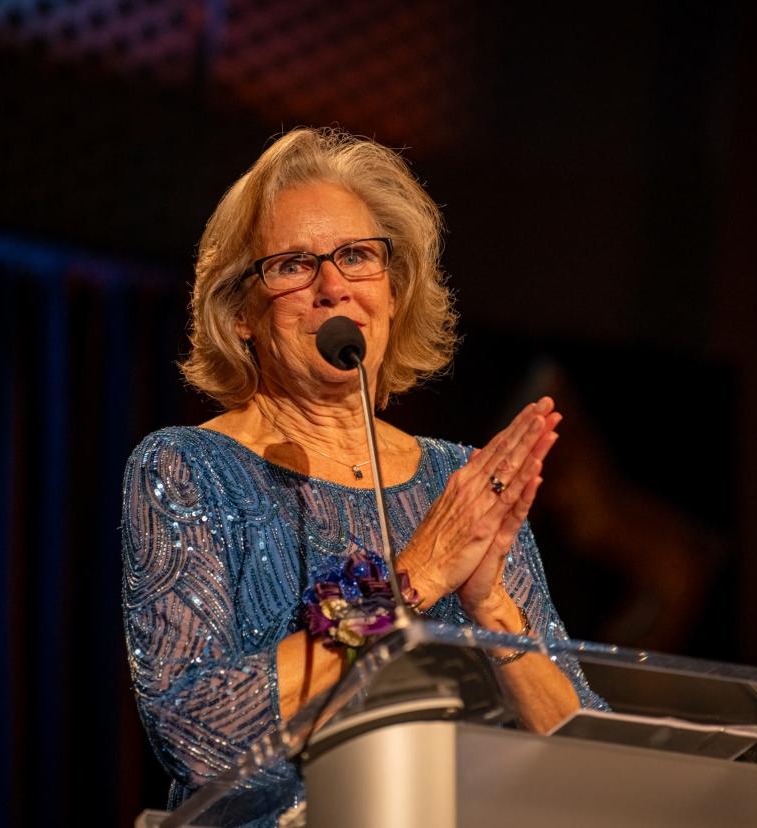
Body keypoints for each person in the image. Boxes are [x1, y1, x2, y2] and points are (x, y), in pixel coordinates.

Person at [121, 127, 605, 824]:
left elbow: (587, 761)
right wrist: (412, 580)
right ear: (241, 313)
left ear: (395, 291)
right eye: (293, 264)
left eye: (356, 256)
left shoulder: (456, 481)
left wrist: (493, 609)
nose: (332, 286)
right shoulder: (187, 467)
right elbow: (196, 731)